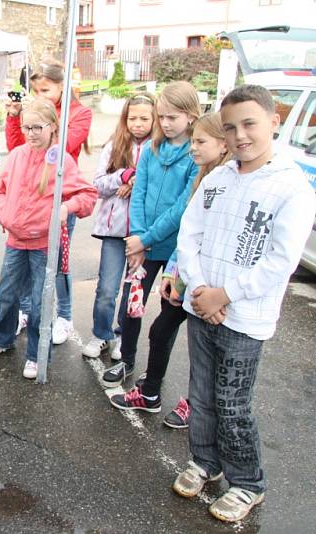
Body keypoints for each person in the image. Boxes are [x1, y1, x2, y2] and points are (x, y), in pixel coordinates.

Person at [172, 85, 316, 523]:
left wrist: (225, 295)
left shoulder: (291, 187)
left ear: (274, 122)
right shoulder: (217, 178)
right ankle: (205, 461)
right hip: (202, 307)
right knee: (201, 392)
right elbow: (189, 234)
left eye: (249, 124)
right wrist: (199, 290)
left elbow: (281, 260)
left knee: (232, 402)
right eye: (230, 127)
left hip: (244, 318)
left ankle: (247, 482)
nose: (239, 136)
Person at [110, 113, 232, 422]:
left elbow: (197, 227)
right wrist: (173, 274)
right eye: (193, 141)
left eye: (200, 141)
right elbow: (189, 232)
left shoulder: (227, 180)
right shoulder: (206, 176)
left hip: (213, 284)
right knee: (162, 328)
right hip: (186, 273)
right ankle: (151, 393)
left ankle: (195, 404)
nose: (193, 148)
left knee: (200, 344)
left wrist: (207, 287)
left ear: (222, 144)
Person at [0, 97, 97, 378]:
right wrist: (3, 212)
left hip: (44, 245)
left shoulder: (62, 161)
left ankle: (36, 355)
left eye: (37, 127)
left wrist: (67, 207)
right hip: (14, 241)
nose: (31, 134)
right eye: (26, 127)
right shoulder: (18, 155)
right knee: (7, 294)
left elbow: (87, 195)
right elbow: (0, 188)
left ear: (53, 127)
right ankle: (3, 339)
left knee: (39, 302)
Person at [101, 81, 200, 388]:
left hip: (174, 251)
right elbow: (139, 194)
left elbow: (184, 206)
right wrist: (139, 238)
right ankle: (126, 358)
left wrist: (146, 238)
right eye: (163, 116)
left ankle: (154, 378)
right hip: (141, 245)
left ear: (192, 116)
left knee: (166, 320)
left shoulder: (195, 155)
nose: (166, 123)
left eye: (173, 117)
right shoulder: (152, 150)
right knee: (130, 306)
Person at [4, 59, 93, 345]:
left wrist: (44, 120)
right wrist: (16, 117)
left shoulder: (78, 113)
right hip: (31, 195)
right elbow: (17, 147)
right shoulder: (34, 117)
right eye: (36, 90)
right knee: (30, 267)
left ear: (62, 86)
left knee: (57, 264)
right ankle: (28, 312)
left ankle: (64, 316)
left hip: (61, 192)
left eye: (45, 90)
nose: (40, 95)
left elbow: (60, 149)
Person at [82, 93, 155, 360]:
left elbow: (158, 188)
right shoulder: (114, 145)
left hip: (143, 232)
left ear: (154, 119)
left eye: (144, 118)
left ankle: (125, 334)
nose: (137, 123)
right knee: (106, 289)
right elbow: (98, 185)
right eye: (132, 118)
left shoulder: (158, 147)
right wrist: (123, 177)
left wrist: (136, 184)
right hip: (113, 230)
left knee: (132, 289)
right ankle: (101, 334)